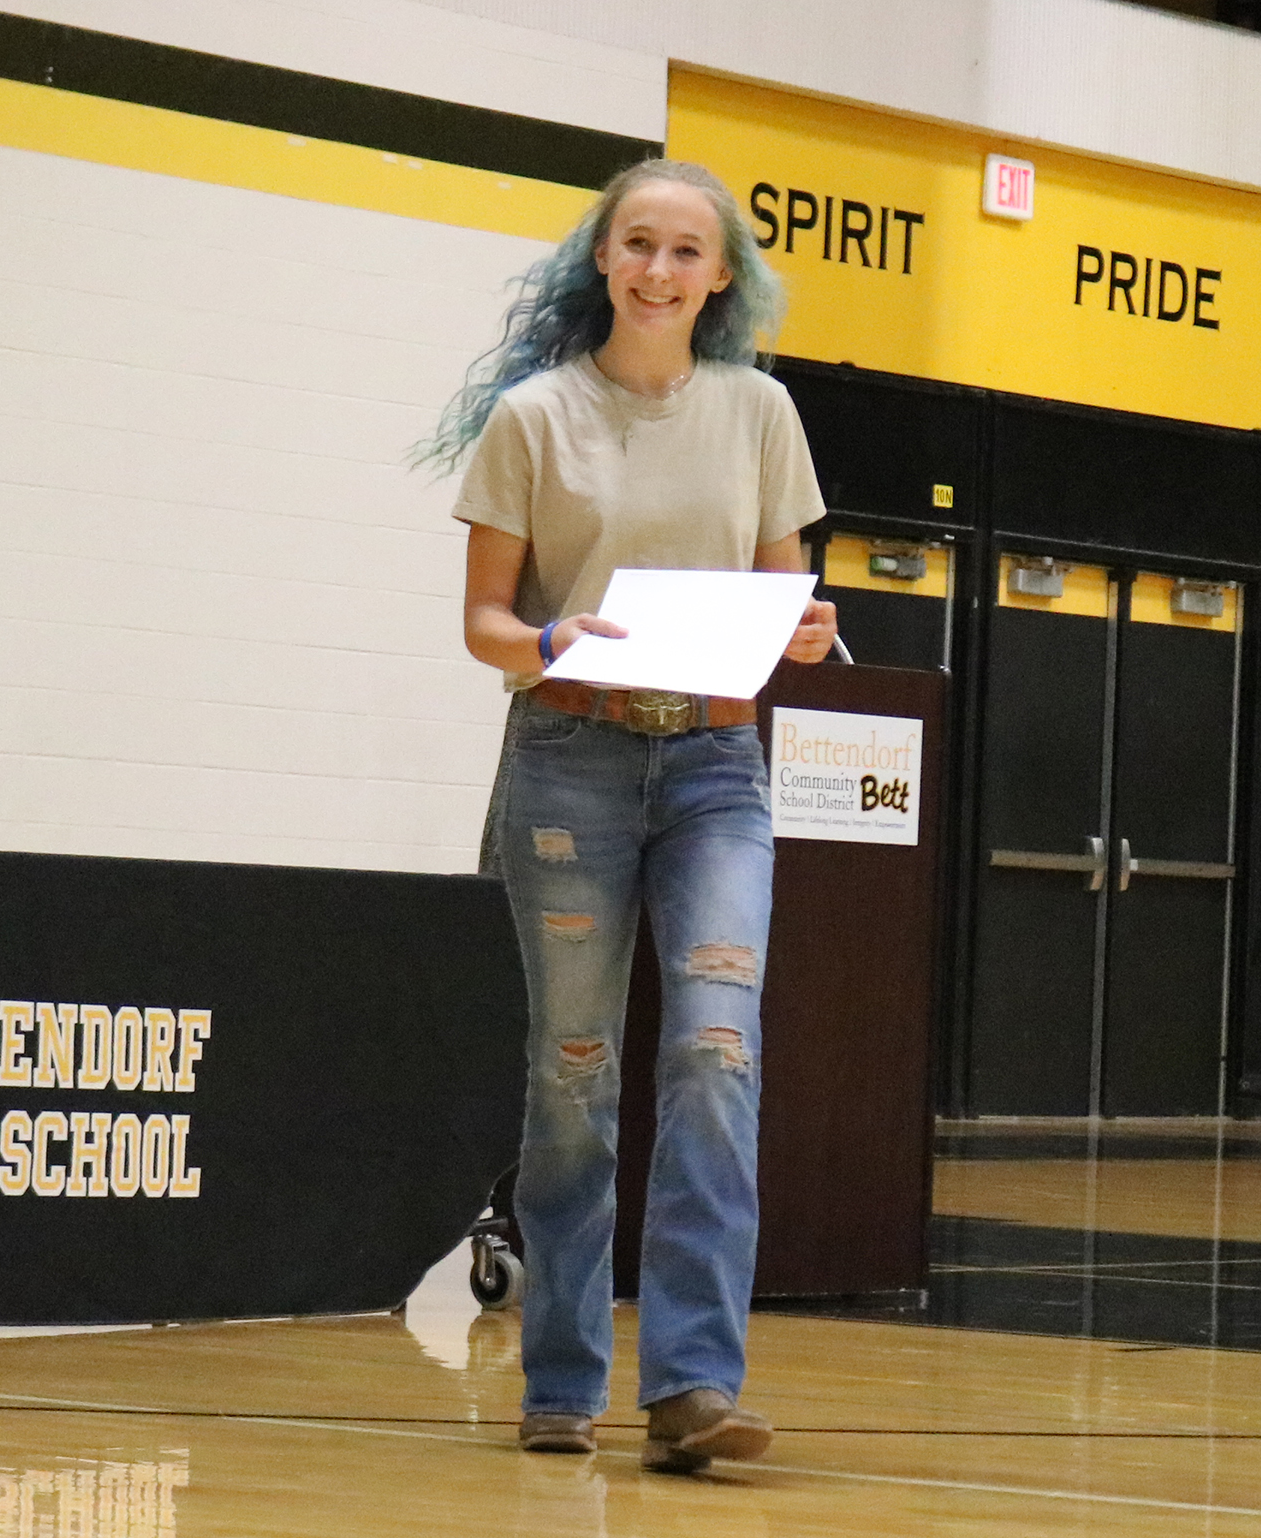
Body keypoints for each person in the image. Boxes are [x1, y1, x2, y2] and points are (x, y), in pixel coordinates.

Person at [419, 158, 836, 1472]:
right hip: (570, 763)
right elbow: (486, 622)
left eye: (685, 252)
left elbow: (784, 607)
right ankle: (560, 1374)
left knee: (716, 1057)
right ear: (602, 258)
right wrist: (548, 635)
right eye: (638, 244)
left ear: (722, 278)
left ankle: (696, 1386)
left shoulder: (762, 411)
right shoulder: (535, 417)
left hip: (715, 773)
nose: (659, 269)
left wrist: (805, 630)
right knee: (576, 1073)